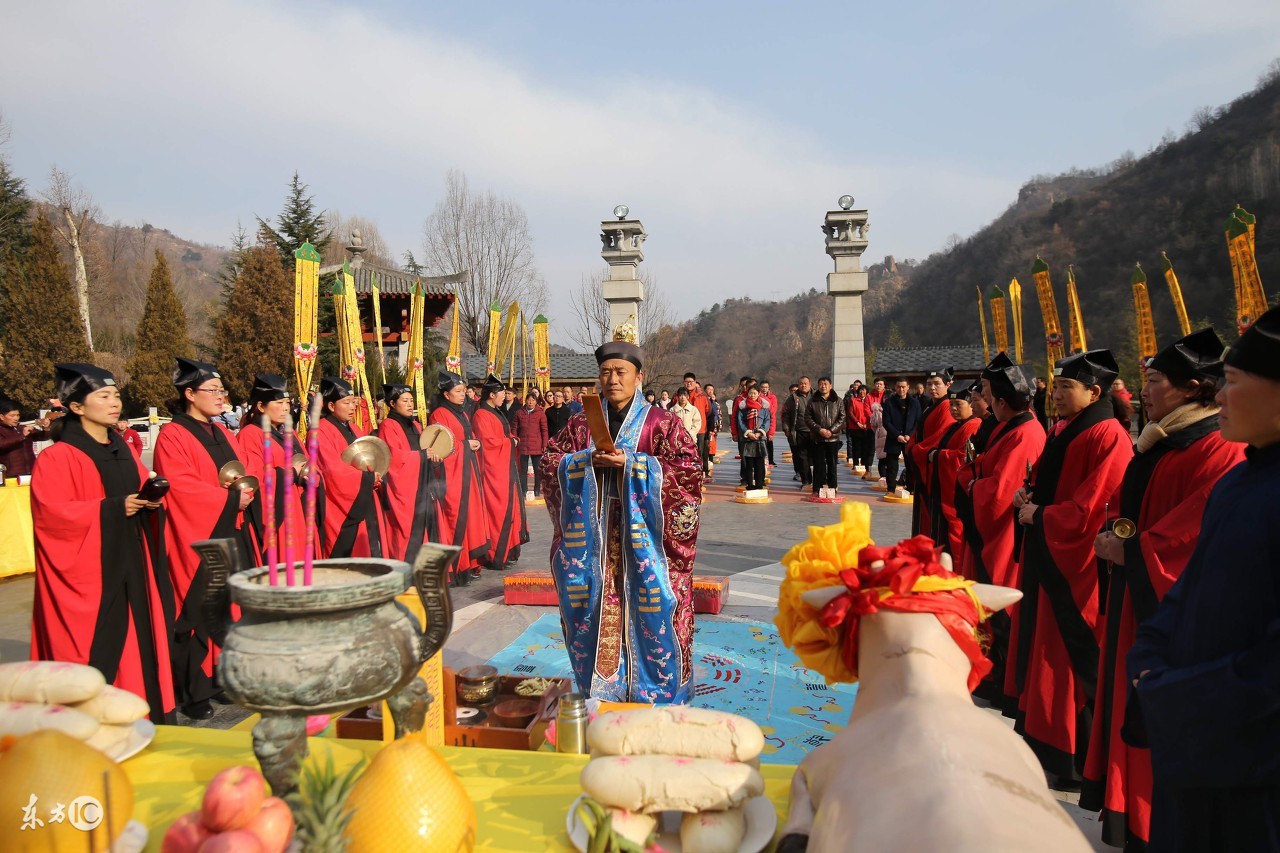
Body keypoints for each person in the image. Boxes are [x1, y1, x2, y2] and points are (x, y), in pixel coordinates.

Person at [1080, 329, 1244, 850]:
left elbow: (1192, 534)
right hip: (1138, 593)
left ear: (1192, 387)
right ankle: (1127, 811)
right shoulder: (1164, 438)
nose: (1143, 391)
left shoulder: (1218, 448)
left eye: (1153, 381)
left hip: (1167, 606)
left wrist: (1132, 550)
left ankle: (1149, 821)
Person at [539, 325, 703, 702]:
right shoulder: (581, 422)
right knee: (591, 608)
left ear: (638, 377)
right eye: (605, 372)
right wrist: (583, 462)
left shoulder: (663, 423)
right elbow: (550, 462)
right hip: (593, 541)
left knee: (656, 607)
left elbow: (689, 471)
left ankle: (659, 690)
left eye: (620, 372)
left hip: (645, 542)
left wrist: (633, 464)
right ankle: (601, 688)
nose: (612, 380)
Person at [1012, 349, 1133, 788]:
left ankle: (1076, 760)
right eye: (1056, 385)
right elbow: (1043, 482)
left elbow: (1093, 506)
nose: (1057, 395)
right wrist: (1027, 498)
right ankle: (1048, 746)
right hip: (1053, 553)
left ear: (1094, 392)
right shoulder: (1066, 429)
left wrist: (1042, 516)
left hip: (1077, 568)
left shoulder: (1109, 436)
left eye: (1066, 387)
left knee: (1073, 662)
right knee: (1048, 655)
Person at [31, 363, 176, 724]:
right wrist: (113, 509)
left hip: (131, 559)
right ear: (77, 407)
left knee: (139, 641)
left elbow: (143, 485)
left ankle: (142, 712)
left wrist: (151, 501)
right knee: (102, 648)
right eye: (104, 396)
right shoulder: (57, 457)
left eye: (116, 395)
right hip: (96, 570)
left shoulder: (121, 449)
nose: (115, 403)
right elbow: (52, 516)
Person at [152, 357, 256, 720]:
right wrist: (228, 498)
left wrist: (244, 490)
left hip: (230, 527)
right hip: (198, 534)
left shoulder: (223, 432)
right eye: (212, 390)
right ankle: (193, 689)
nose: (220, 397)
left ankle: (220, 679)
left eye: (222, 390)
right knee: (196, 609)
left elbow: (242, 469)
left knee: (226, 606)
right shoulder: (173, 435)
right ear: (189, 394)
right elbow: (179, 487)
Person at [954, 354, 1045, 704]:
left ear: (1003, 402)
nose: (986, 402)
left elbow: (999, 493)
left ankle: (1001, 681)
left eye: (989, 396)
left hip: (1005, 536)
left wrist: (972, 481)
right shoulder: (1015, 428)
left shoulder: (1025, 433)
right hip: (997, 533)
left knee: (999, 607)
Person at [236, 374, 310, 563]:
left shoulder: (289, 431)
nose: (286, 408)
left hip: (298, 508)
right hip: (280, 514)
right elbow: (256, 477)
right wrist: (291, 473)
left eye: (287, 402)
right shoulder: (251, 434)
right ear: (261, 406)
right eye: (279, 403)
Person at [315, 376, 390, 559]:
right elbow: (333, 471)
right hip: (341, 504)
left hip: (364, 494)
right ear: (331, 406)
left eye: (353, 402)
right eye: (346, 403)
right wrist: (366, 479)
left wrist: (377, 473)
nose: (352, 407)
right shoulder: (319, 432)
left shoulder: (355, 428)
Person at [429, 371, 490, 586]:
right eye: (458, 391)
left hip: (467, 470)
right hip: (452, 475)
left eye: (464, 391)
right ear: (446, 394)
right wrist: (466, 446)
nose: (463, 395)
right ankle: (458, 565)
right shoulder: (439, 415)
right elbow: (438, 448)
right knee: (457, 516)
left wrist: (471, 443)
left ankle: (471, 561)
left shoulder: (462, 413)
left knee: (472, 516)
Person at [378, 384, 445, 566]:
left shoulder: (415, 424)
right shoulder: (388, 426)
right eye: (404, 401)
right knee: (405, 533)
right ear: (392, 403)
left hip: (422, 484)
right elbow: (393, 458)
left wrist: (434, 459)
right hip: (404, 492)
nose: (409, 404)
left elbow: (426, 450)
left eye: (411, 400)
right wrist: (422, 456)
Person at [472, 374, 528, 570]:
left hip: (505, 467)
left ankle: (509, 550)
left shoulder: (495, 411)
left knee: (511, 509)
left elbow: (502, 435)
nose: (505, 396)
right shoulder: (481, 415)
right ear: (492, 395)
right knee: (498, 511)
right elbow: (487, 443)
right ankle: (496, 554)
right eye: (503, 393)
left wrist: (511, 438)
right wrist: (509, 442)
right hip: (493, 472)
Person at [926, 385, 983, 560]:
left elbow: (963, 456)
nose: (954, 409)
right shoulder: (957, 425)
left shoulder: (973, 425)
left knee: (956, 530)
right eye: (951, 405)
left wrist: (938, 455)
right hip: (943, 483)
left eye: (959, 404)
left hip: (954, 486)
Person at [908, 368, 958, 533]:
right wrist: (912, 445)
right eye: (929, 384)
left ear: (948, 384)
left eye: (937, 384)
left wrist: (916, 449)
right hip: (925, 464)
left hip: (932, 466)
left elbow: (939, 436)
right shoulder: (932, 405)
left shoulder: (946, 406)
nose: (932, 388)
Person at [804, 376, 844, 496]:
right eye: (821, 384)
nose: (823, 386)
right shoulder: (812, 401)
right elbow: (808, 418)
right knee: (818, 464)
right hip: (818, 437)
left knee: (832, 464)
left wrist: (831, 431)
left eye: (826, 384)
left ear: (830, 386)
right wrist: (819, 429)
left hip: (833, 438)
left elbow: (842, 418)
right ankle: (817, 488)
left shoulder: (838, 401)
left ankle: (833, 487)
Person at [882, 379, 921, 490]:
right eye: (899, 387)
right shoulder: (889, 402)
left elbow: (918, 421)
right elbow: (886, 421)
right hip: (894, 437)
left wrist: (910, 434)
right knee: (891, 465)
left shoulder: (914, 402)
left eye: (903, 387)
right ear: (895, 387)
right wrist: (897, 435)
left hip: (909, 438)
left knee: (910, 465)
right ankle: (891, 488)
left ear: (908, 387)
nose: (901, 389)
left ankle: (910, 488)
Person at [0, 396, 48, 478]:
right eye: (12, 415)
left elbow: (43, 437)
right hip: (10, 474)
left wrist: (46, 428)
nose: (16, 418)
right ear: (1, 417)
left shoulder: (22, 428)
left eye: (18, 415)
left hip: (32, 472)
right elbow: (2, 444)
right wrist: (22, 436)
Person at [513, 391, 549, 499]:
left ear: (536, 402)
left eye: (533, 400)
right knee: (523, 471)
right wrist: (515, 439)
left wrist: (544, 444)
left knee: (537, 470)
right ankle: (523, 490)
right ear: (525, 401)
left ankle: (537, 490)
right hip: (523, 445)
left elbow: (544, 430)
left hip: (536, 445)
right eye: (529, 400)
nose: (530, 402)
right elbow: (514, 428)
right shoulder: (519, 413)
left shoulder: (540, 413)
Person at [737, 386, 770, 490]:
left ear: (759, 393)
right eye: (750, 393)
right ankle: (750, 484)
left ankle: (759, 484)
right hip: (747, 438)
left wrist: (760, 433)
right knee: (748, 463)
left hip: (760, 438)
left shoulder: (764, 408)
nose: (752, 395)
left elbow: (767, 421)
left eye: (755, 393)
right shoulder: (743, 407)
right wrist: (748, 432)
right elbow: (740, 421)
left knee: (759, 463)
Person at [782, 377, 812, 487]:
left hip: (815, 431)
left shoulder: (816, 396)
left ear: (810, 384)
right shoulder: (793, 398)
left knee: (815, 458)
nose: (803, 385)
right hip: (799, 431)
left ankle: (818, 480)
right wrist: (787, 429)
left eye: (805, 383)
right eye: (801, 383)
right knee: (802, 457)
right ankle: (806, 481)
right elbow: (786, 415)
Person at [684, 373, 711, 477]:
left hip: (699, 430)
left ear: (695, 382)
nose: (689, 383)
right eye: (687, 382)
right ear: (684, 383)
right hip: (684, 430)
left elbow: (708, 411)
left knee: (698, 453)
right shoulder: (679, 394)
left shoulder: (702, 396)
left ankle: (698, 474)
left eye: (691, 381)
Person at [846, 385, 872, 470]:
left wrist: (866, 424)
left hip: (866, 427)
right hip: (855, 427)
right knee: (856, 447)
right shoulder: (853, 400)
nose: (862, 392)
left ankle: (865, 465)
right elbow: (850, 413)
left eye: (864, 390)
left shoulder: (869, 401)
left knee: (865, 447)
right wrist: (858, 423)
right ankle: (855, 464)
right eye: (860, 390)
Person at [704, 383, 722, 478]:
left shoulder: (715, 403)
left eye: (712, 389)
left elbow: (718, 416)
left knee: (711, 446)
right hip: (704, 427)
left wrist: (718, 427)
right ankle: (705, 468)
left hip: (713, 427)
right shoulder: (704, 400)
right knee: (705, 447)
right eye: (708, 389)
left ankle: (709, 463)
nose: (710, 391)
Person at [759, 380, 778, 467]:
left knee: (770, 442)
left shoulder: (773, 397)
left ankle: (771, 460)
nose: (764, 389)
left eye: (766, 387)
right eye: (763, 387)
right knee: (761, 442)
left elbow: (773, 411)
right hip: (760, 422)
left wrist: (766, 401)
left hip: (770, 420)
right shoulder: (757, 396)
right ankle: (762, 459)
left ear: (769, 388)